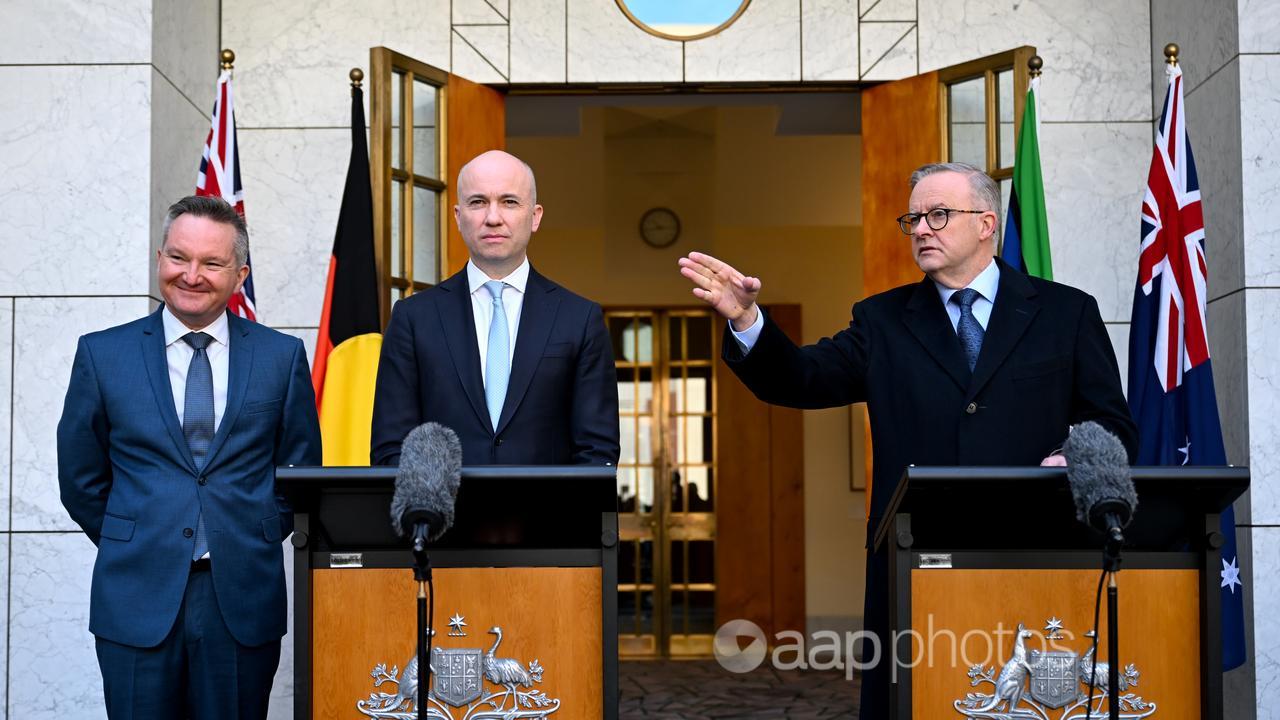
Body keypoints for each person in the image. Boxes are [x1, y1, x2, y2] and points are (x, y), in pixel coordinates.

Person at [678, 162, 1137, 715]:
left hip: (1037, 548)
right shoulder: (883, 320)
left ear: (987, 223)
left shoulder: (1067, 312)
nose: (921, 228)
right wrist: (748, 318)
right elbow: (800, 378)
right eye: (914, 218)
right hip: (919, 556)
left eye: (938, 215)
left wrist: (1072, 457)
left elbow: (1110, 422)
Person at [57, 195, 322, 719]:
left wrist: (252, 532)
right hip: (136, 594)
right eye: (178, 258)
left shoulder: (280, 356)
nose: (191, 275)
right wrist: (135, 532)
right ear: (160, 259)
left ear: (240, 274)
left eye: (212, 262)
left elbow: (298, 471)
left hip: (241, 598)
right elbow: (81, 477)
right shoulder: (102, 354)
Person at [371, 150, 619, 466]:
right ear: (458, 217)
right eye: (477, 202)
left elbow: (597, 454)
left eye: (509, 202)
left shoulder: (579, 319)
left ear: (536, 216)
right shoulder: (413, 318)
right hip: (444, 515)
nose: (492, 217)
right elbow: (392, 449)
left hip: (546, 515)